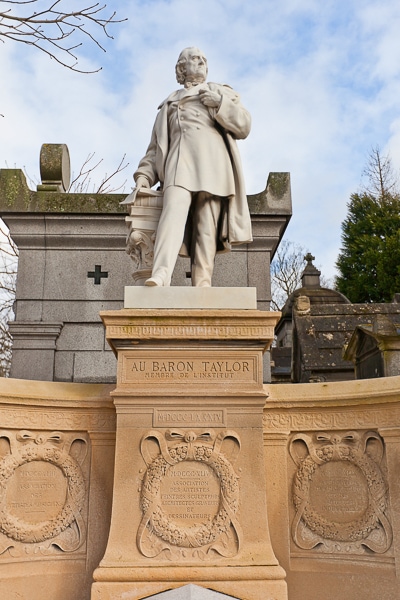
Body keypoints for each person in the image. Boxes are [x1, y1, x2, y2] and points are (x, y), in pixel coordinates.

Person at [134, 47, 252, 287]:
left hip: (214, 164)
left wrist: (220, 104)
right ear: (181, 68)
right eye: (194, 59)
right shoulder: (168, 104)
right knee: (172, 215)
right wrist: (144, 177)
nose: (201, 62)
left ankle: (202, 282)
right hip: (179, 163)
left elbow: (244, 126)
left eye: (203, 59)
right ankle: (161, 274)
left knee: (206, 224)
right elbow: (155, 149)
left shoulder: (220, 92)